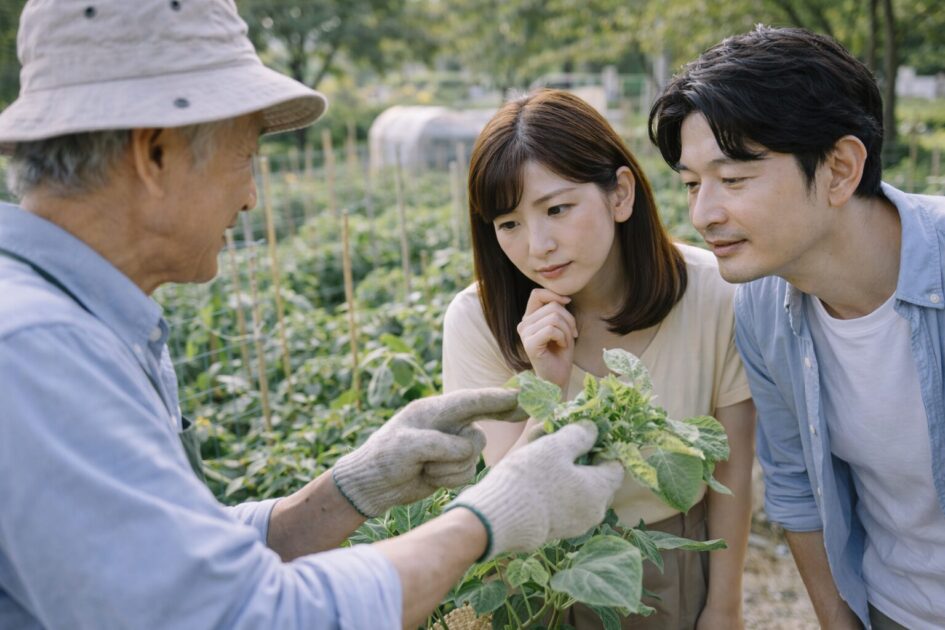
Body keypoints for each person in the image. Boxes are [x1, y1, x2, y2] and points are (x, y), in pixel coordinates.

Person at [0, 2, 626, 628]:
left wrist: (347, 491)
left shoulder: (80, 324)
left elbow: (169, 562)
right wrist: (486, 520)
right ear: (154, 153)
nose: (250, 197)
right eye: (244, 157)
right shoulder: (36, 351)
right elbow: (238, 615)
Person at [649, 25, 945, 630]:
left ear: (839, 168)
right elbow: (795, 485)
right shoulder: (760, 306)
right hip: (898, 610)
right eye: (691, 184)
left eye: (732, 180)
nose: (703, 213)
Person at [442, 89, 756, 629]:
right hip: (535, 579)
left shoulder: (712, 293)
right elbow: (506, 492)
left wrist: (724, 606)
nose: (537, 245)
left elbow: (731, 468)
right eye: (508, 223)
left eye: (557, 209)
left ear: (620, 194)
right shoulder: (477, 318)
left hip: (663, 564)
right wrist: (548, 390)